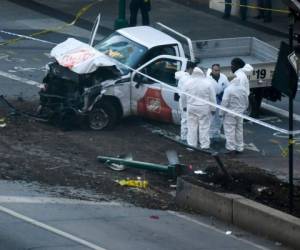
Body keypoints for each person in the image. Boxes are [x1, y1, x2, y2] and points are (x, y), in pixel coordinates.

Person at [183, 67, 216, 149]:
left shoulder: (187, 83)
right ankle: (204, 146)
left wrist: (184, 106)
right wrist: (213, 109)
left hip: (191, 107)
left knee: (191, 127)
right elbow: (212, 98)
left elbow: (183, 96)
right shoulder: (207, 83)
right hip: (204, 108)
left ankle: (191, 145)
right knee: (204, 127)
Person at [219, 78, 249, 153]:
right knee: (239, 130)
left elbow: (224, 102)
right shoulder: (243, 89)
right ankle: (239, 147)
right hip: (240, 113)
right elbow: (246, 101)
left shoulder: (229, 89)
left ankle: (230, 148)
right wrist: (243, 110)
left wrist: (221, 113)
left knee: (230, 131)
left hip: (230, 114)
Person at [207, 64, 229, 140]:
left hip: (220, 100)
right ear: (212, 70)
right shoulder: (207, 78)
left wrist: (222, 94)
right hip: (211, 100)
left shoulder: (223, 77)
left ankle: (216, 134)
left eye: (218, 70)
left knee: (219, 118)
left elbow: (227, 88)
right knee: (211, 118)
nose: (217, 72)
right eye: (215, 70)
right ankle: (210, 135)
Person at [174, 61, 195, 142]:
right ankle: (184, 138)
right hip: (184, 101)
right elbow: (183, 94)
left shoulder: (190, 77)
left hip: (191, 101)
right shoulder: (184, 79)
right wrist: (184, 105)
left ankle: (189, 137)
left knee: (190, 120)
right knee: (185, 120)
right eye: (193, 69)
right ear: (189, 69)